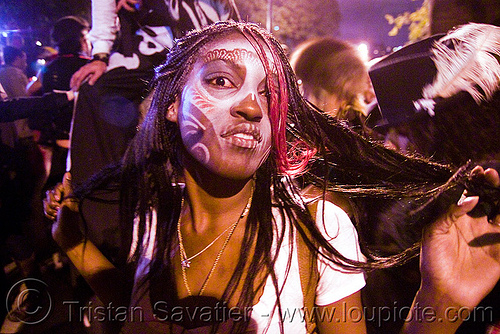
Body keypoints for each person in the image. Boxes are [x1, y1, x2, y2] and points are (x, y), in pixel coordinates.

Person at [44, 21, 500, 333]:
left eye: (270, 93)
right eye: (222, 80)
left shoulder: (318, 227)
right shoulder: (153, 213)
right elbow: (135, 312)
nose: (252, 106)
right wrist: (75, 245)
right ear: (170, 103)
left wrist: (439, 305)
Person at [66, 0, 241, 264]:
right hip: (146, 48)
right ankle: (109, 233)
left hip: (202, 38)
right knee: (95, 90)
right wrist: (100, 55)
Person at [289, 37, 377, 138]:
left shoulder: (357, 143)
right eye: (301, 85)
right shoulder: (297, 130)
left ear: (343, 99)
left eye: (317, 94)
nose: (304, 98)